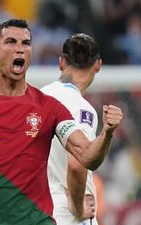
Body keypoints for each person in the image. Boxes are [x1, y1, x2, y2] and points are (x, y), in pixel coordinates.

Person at [0, 19, 123, 225]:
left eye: (26, 43)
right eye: (11, 42)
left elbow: (87, 157)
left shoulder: (49, 107)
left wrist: (107, 132)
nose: (20, 49)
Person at [41, 33, 105, 225]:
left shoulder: (36, 98)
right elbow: (77, 164)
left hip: (33, 208)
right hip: (66, 214)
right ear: (97, 65)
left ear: (61, 62)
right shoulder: (81, 108)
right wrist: (78, 208)